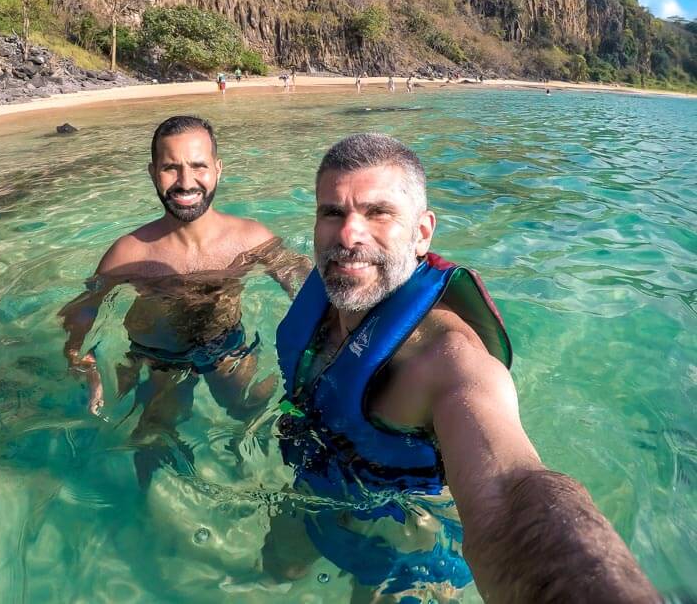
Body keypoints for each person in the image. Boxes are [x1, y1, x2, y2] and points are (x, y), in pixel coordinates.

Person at [263, 133, 659, 603]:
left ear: (422, 233)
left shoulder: (449, 359)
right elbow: (286, 269)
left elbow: (512, 492)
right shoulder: (328, 292)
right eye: (333, 212)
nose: (349, 234)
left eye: (378, 213)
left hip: (409, 539)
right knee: (277, 567)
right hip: (319, 482)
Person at [59, 115, 309, 486]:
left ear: (218, 169)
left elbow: (310, 290)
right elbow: (80, 312)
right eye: (170, 168)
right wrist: (86, 365)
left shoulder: (250, 239)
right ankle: (151, 517)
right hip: (158, 358)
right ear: (152, 172)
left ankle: (255, 468)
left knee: (258, 409)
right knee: (154, 437)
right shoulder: (127, 255)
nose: (186, 181)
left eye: (198, 166)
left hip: (228, 347)